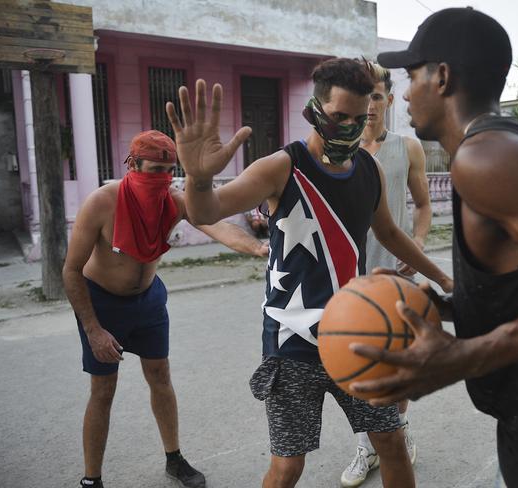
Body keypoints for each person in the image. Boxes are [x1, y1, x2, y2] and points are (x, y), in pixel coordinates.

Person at [349, 7, 518, 488]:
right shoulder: (500, 146)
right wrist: (444, 305)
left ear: (441, 77)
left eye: (412, 75)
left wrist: (469, 355)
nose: (405, 92)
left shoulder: (484, 157)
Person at [164, 58, 453, 488]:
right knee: (288, 466)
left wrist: (445, 280)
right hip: (291, 341)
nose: (351, 127)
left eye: (360, 117)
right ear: (316, 109)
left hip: (358, 332)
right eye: (340, 116)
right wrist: (198, 178)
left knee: (390, 441)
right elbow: (207, 210)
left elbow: (390, 231)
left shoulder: (368, 169)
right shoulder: (281, 167)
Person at [62, 130, 268, 488]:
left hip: (150, 299)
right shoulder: (102, 202)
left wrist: (257, 249)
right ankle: (91, 478)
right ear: (132, 165)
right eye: (153, 170)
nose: (161, 179)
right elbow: (70, 270)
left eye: (167, 171)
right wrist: (93, 329)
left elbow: (217, 226)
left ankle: (174, 458)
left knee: (160, 377)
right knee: (103, 390)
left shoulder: (174, 201)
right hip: (103, 303)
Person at [340, 61, 431, 487]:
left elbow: (424, 206)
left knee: (397, 364)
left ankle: (398, 431)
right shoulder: (337, 149)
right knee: (355, 364)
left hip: (395, 273)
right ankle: (366, 446)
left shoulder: (408, 148)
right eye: (365, 97)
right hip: (348, 278)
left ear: (388, 100)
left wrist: (419, 244)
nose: (371, 105)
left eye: (378, 96)